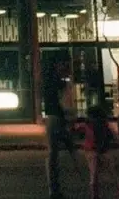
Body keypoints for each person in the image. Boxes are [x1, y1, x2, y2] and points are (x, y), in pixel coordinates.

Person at [44, 60, 76, 199]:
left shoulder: (49, 82)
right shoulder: (59, 83)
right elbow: (65, 103)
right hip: (57, 118)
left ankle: (54, 188)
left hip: (53, 118)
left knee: (53, 154)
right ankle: (55, 188)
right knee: (56, 153)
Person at [82, 105, 113, 199]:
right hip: (97, 150)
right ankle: (96, 194)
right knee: (98, 173)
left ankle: (95, 195)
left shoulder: (89, 125)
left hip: (91, 150)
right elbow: (108, 136)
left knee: (94, 174)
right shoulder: (102, 125)